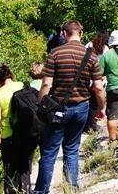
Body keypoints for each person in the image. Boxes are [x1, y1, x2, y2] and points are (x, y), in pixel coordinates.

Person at [34, 20, 105, 194]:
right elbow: (98, 87)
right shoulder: (91, 56)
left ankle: (42, 191)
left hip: (58, 108)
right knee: (72, 149)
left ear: (64, 34)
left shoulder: (55, 54)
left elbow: (46, 84)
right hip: (82, 107)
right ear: (81, 33)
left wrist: (40, 105)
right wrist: (102, 107)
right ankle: (71, 189)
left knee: (50, 151)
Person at [0, 65, 29, 194]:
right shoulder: (24, 85)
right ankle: (25, 190)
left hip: (9, 136)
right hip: (27, 134)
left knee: (10, 171)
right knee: (24, 168)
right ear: (11, 76)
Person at [85, 31, 109, 132]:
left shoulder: (89, 45)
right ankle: (92, 125)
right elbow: (106, 63)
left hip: (86, 78)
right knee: (94, 104)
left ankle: (87, 123)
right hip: (98, 78)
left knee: (87, 102)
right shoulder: (105, 49)